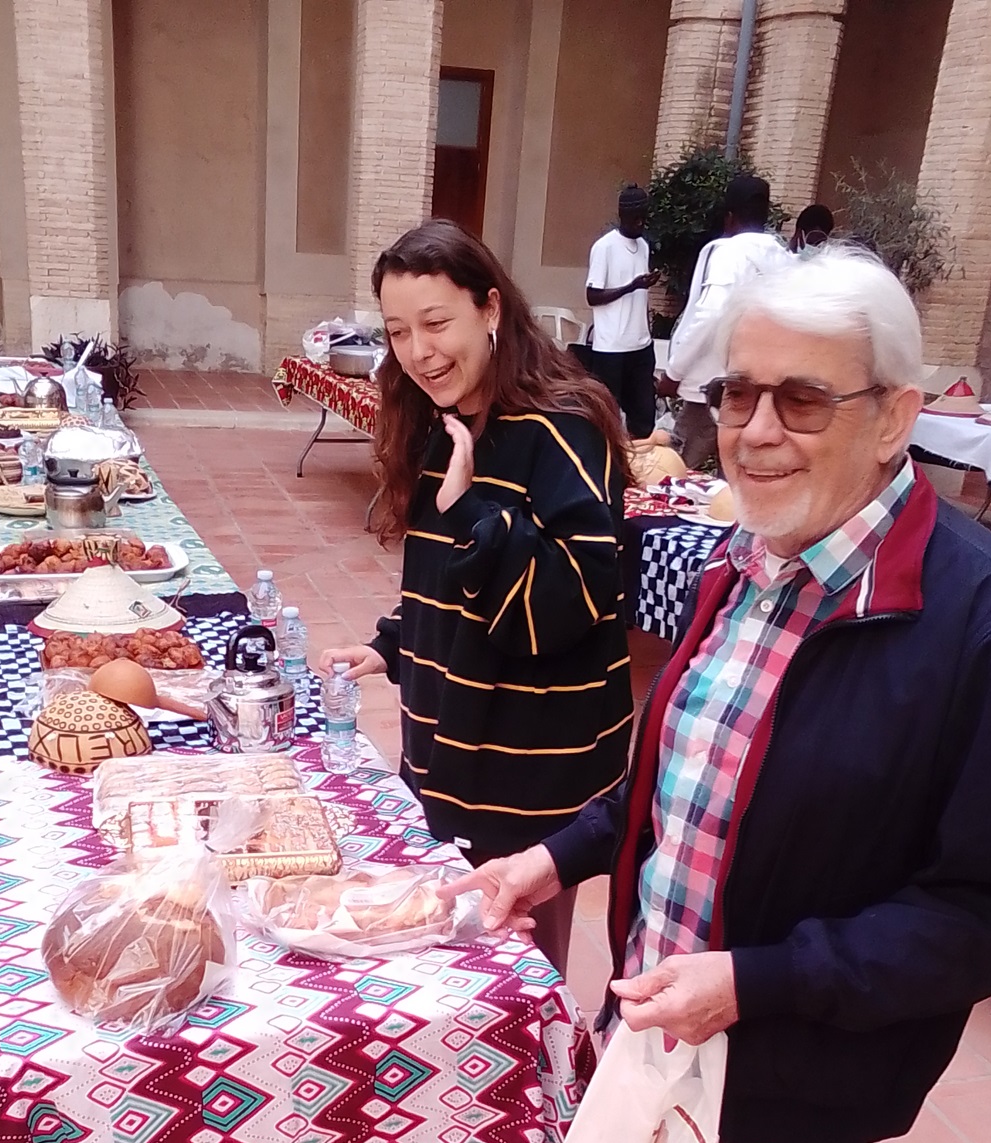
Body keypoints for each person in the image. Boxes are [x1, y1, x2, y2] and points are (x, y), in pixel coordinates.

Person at [447, 245, 991, 1143]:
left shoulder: (977, 624)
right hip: (664, 1022)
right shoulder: (745, 563)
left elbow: (972, 919)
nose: (754, 431)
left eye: (802, 400)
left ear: (898, 415)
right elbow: (675, 773)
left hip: (789, 1063)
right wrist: (554, 856)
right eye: (736, 393)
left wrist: (752, 984)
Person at [317, 219, 634, 976]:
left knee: (517, 971)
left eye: (436, 323)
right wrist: (392, 643)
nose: (418, 352)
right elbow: (444, 575)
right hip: (448, 744)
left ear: (490, 308)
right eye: (398, 332)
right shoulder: (446, 419)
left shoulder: (564, 428)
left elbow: (568, 603)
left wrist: (472, 513)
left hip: (530, 767)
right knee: (443, 957)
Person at [659, 172, 788, 469]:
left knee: (673, 470)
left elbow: (711, 313)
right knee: (741, 471)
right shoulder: (782, 258)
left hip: (713, 387)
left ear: (729, 218)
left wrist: (674, 372)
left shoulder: (729, 254)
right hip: (759, 386)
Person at [580, 184, 660, 439]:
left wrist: (644, 284)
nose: (640, 223)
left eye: (643, 217)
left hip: (641, 345)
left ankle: (638, 458)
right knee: (606, 419)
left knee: (644, 419)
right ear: (623, 215)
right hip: (611, 349)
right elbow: (592, 296)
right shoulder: (604, 247)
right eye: (635, 218)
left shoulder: (643, 246)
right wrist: (631, 286)